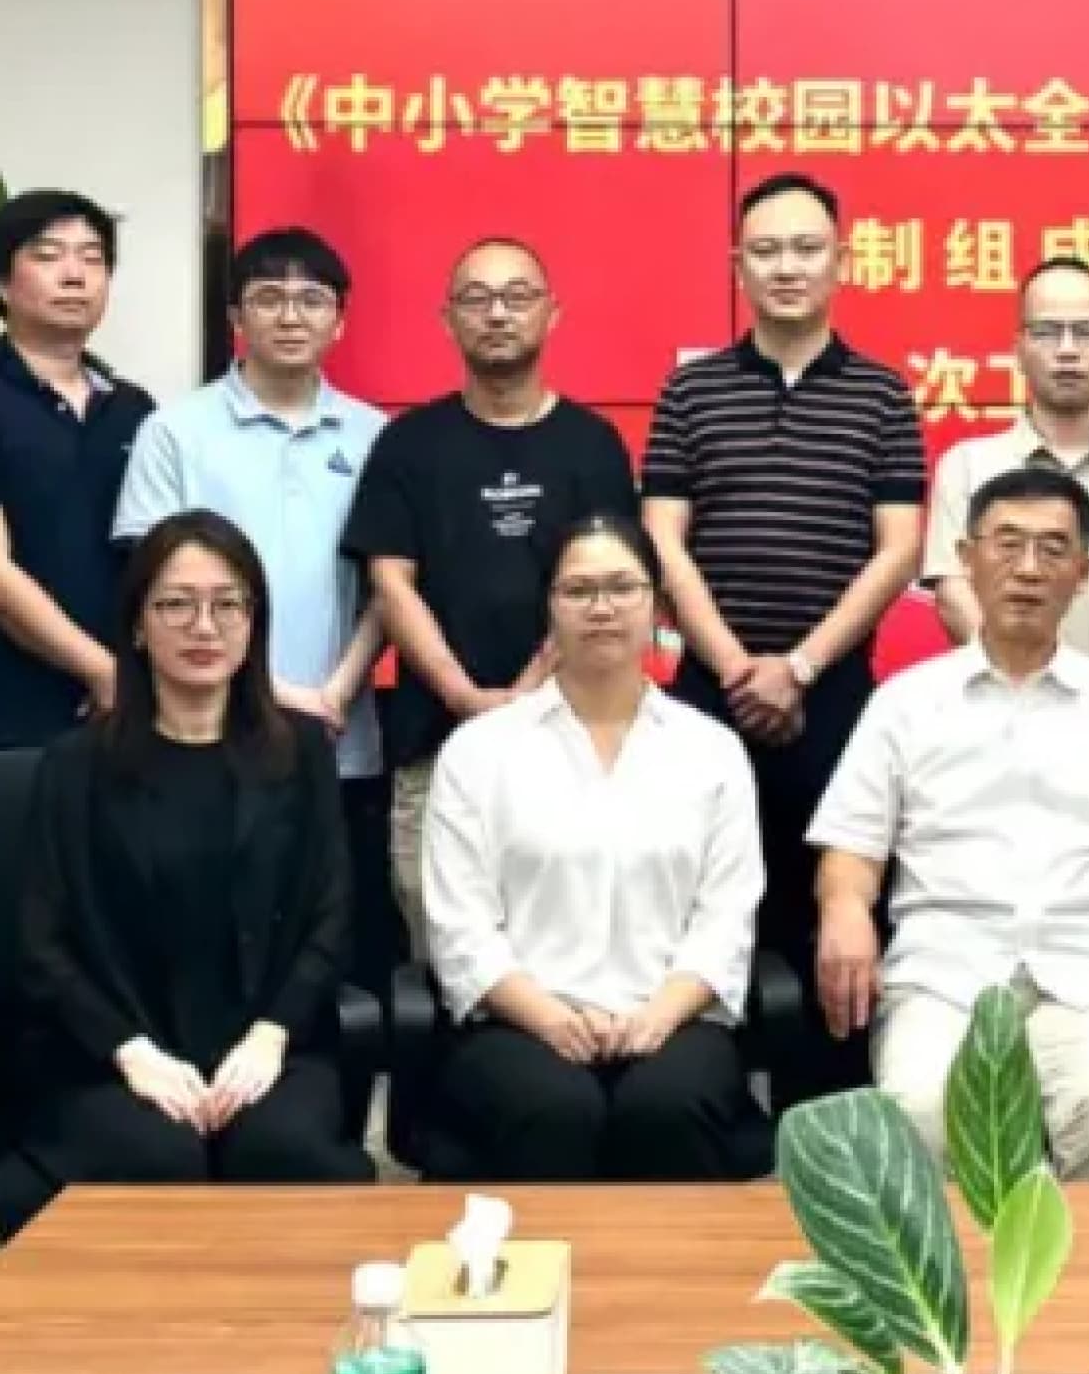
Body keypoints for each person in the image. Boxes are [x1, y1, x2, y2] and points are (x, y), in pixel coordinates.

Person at [812, 466, 1089, 1181]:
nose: (1029, 569)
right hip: (943, 973)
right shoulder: (905, 703)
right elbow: (850, 850)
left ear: (1084, 573)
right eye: (1007, 544)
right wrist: (844, 911)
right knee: (919, 1114)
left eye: (1053, 549)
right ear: (967, 559)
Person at [1, 511, 371, 1226]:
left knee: (282, 1150)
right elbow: (42, 945)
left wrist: (272, 1034)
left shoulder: (299, 753)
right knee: (158, 1157)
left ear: (254, 623)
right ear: (138, 626)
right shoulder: (76, 766)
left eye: (227, 604)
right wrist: (129, 1051)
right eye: (176, 604)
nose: (204, 627)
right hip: (109, 1054)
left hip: (268, 1045)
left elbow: (331, 916)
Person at [421, 516, 769, 1182]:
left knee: (665, 1106)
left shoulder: (711, 750)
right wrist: (549, 1018)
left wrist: (658, 1016)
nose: (601, 608)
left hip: (673, 1019)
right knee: (555, 1108)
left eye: (622, 588)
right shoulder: (481, 751)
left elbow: (725, 917)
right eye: (578, 591)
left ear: (657, 605)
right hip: (519, 1023)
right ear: (548, 607)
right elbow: (460, 926)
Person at [642, 172, 930, 957]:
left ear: (842, 260)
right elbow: (662, 539)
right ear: (738, 267)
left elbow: (900, 549)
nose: (787, 267)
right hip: (708, 693)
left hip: (835, 695)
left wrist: (799, 668)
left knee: (834, 920)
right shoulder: (690, 391)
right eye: (766, 251)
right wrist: (739, 671)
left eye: (807, 249)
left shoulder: (882, 394)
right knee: (696, 915)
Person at [344, 236, 638, 967]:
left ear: (552, 313)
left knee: (570, 947)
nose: (498, 313)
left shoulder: (594, 444)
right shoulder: (408, 443)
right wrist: (465, 696)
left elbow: (607, 585)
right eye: (477, 299)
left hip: (580, 741)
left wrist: (529, 691)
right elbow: (391, 582)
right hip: (435, 745)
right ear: (447, 319)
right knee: (442, 954)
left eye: (517, 296)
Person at [116, 226, 392, 976]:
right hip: (207, 728)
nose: (291, 316)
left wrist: (335, 691)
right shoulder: (174, 431)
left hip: (339, 733)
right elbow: (148, 582)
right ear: (236, 317)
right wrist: (268, 690)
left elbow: (390, 587)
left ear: (340, 320)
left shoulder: (376, 436)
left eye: (312, 300)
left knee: (336, 947)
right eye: (269, 298)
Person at [0, 189, 160, 754]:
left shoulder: (134, 408)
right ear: (2, 284)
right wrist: (100, 670)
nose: (74, 275)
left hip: (129, 707)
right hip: (11, 709)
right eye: (48, 256)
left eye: (93, 258)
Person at [921, 257, 1089, 672]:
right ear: (1018, 350)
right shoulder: (967, 465)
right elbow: (952, 591)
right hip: (994, 700)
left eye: (1086, 332)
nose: (1067, 350)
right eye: (1047, 332)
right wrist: (1020, 677)